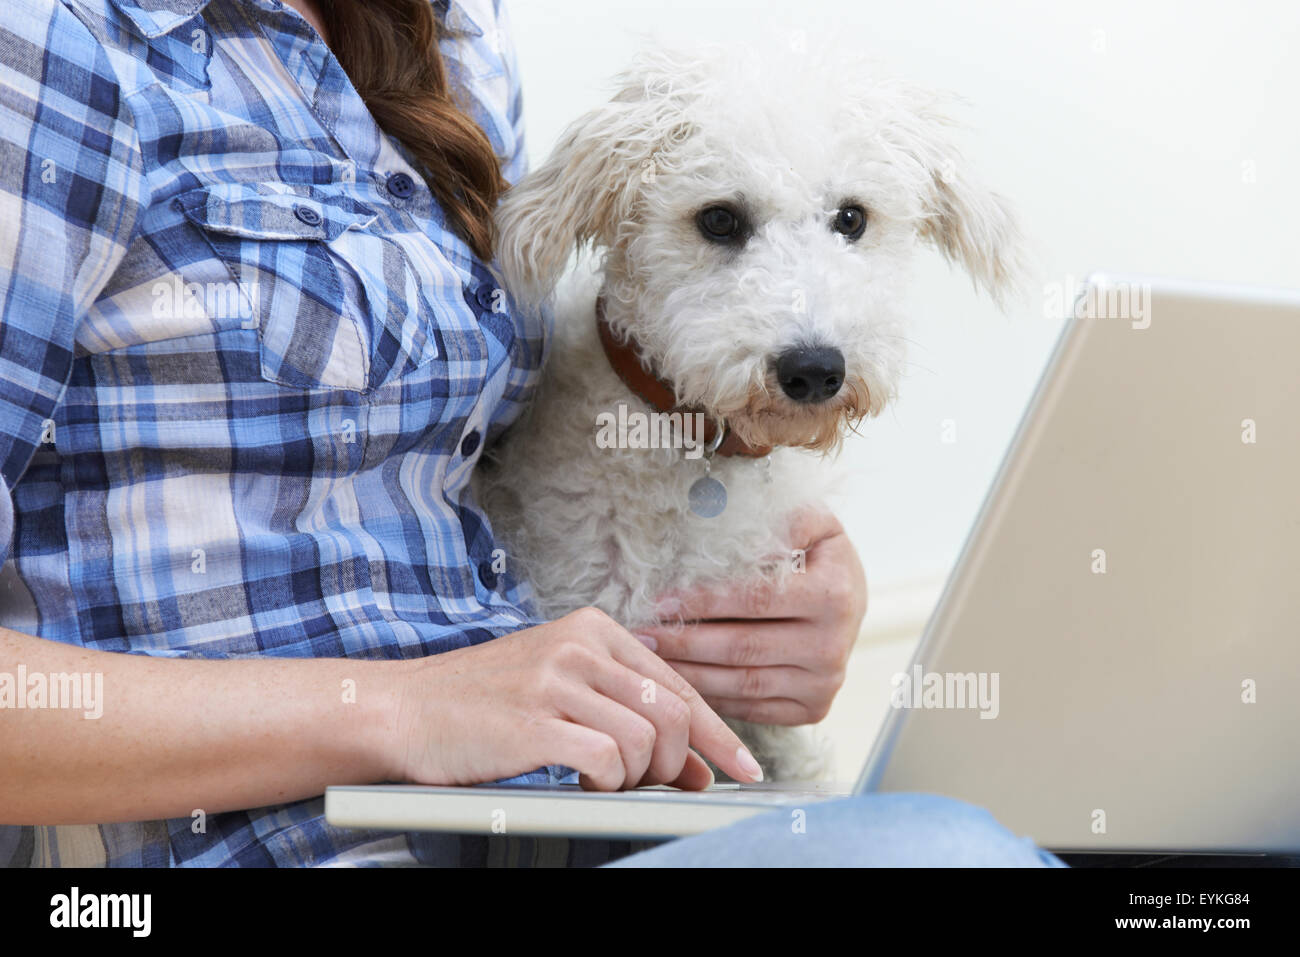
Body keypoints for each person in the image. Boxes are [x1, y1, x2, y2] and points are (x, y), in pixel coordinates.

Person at [0, 0, 1059, 867]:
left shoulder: (450, 35)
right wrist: (403, 707)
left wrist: (778, 590)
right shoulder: (56, 44)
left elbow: (479, 443)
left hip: (559, 812)